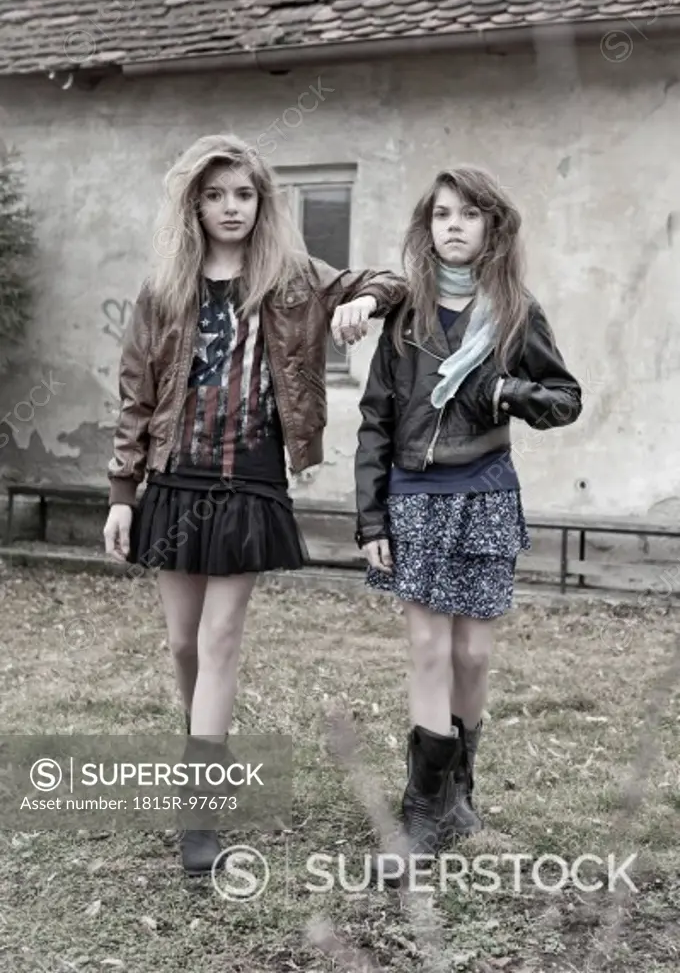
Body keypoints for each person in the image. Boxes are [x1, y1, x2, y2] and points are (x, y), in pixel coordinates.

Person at [102, 133, 406, 876]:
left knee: (220, 642)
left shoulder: (295, 277)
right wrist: (121, 493)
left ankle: (198, 806)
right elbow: (137, 396)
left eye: (243, 193)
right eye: (215, 195)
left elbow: (394, 282)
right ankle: (207, 744)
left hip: (251, 479)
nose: (231, 207)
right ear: (194, 204)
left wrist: (362, 300)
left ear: (261, 201)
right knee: (182, 645)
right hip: (176, 478)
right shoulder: (164, 287)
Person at [354, 165, 582, 883]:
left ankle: (460, 790)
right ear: (427, 227)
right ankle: (421, 809)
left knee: (473, 656)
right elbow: (375, 423)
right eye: (441, 213)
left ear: (493, 228)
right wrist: (370, 519)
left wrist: (510, 390)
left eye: (469, 214)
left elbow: (565, 397)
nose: (453, 225)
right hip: (414, 497)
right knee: (428, 647)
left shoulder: (516, 313)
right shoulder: (405, 316)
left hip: (485, 493)